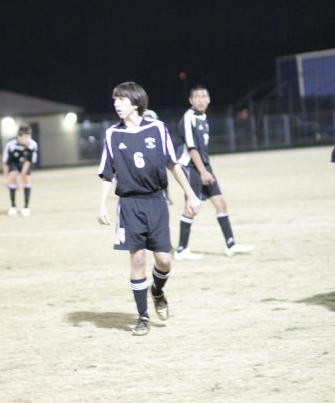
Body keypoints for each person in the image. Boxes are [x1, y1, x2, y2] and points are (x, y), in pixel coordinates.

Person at [97, 81, 201, 336]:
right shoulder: (113, 134)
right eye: (114, 100)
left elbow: (173, 164)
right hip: (129, 204)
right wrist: (101, 205)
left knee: (164, 260)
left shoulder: (157, 129)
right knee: (137, 258)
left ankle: (157, 291)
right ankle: (142, 317)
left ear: (135, 102)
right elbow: (107, 174)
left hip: (156, 201)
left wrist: (191, 195)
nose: (116, 105)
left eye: (120, 100)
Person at [174, 85, 254, 260]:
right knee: (192, 207)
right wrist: (202, 172)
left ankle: (231, 245)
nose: (201, 99)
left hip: (204, 168)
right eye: (197, 96)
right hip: (192, 168)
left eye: (204, 96)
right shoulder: (188, 118)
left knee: (221, 203)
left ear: (209, 100)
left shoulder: (203, 117)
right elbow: (191, 147)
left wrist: (206, 169)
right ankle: (181, 250)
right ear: (191, 100)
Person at [2, 124, 38, 217]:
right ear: (19, 137)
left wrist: (21, 178)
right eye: (26, 137)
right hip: (14, 162)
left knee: (26, 179)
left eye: (29, 136)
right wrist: (6, 178)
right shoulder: (10, 144)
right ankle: (13, 206)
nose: (28, 139)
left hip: (25, 163)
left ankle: (26, 207)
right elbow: (5, 162)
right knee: (12, 177)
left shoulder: (32, 145)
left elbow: (28, 162)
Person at [144, 109, 173, 205]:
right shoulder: (137, 114)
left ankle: (167, 196)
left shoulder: (151, 113)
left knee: (162, 176)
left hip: (154, 150)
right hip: (144, 152)